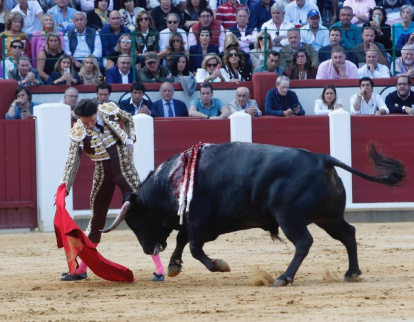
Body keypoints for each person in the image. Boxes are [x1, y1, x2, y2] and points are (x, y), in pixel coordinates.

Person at [59, 98, 165, 282]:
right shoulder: (79, 130)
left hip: (125, 168)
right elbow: (71, 162)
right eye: (85, 122)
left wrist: (130, 140)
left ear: (96, 113)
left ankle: (160, 269)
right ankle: (82, 269)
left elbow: (129, 119)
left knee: (141, 213)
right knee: (96, 218)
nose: (89, 125)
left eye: (91, 120)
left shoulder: (108, 110)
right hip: (101, 172)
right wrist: (63, 188)